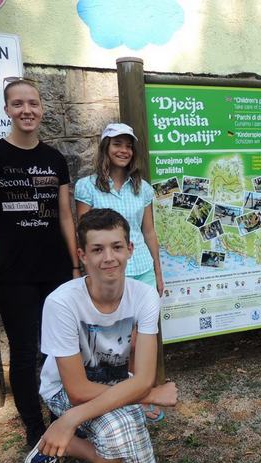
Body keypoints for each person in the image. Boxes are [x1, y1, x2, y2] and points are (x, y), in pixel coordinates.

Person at [24, 208, 178, 463]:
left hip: (116, 381)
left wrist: (71, 420)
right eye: (97, 249)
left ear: (130, 250)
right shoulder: (61, 303)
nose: (108, 257)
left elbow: (143, 377)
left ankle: (67, 440)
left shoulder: (145, 296)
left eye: (117, 247)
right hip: (63, 389)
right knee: (118, 430)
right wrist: (149, 395)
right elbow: (77, 390)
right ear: (82, 256)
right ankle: (77, 446)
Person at [0, 78, 81, 448]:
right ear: (7, 110)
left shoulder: (54, 159)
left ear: (42, 109)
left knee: (58, 350)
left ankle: (61, 418)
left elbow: (65, 216)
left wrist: (75, 265)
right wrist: (0, 253)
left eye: (32, 103)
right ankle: (34, 428)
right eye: (18, 104)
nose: (26, 110)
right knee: (24, 352)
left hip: (55, 270)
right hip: (13, 275)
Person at [75, 123, 165, 422]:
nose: (123, 150)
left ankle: (141, 393)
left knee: (141, 340)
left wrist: (158, 271)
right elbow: (83, 234)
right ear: (106, 148)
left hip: (141, 270)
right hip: (108, 274)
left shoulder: (143, 188)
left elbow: (149, 231)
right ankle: (115, 396)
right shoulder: (87, 187)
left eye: (128, 145)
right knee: (112, 341)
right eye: (117, 144)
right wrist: (82, 271)